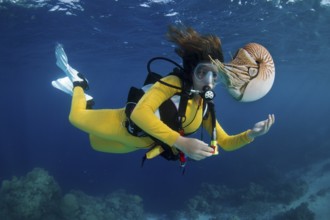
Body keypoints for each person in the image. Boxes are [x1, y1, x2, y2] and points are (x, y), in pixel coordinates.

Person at [52, 25, 275, 164]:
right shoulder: (172, 83)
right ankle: (79, 83)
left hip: (137, 143)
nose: (209, 82)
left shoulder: (204, 104)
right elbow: (140, 114)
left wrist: (250, 135)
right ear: (191, 71)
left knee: (94, 143)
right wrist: (181, 142)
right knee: (76, 118)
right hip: (121, 124)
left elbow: (225, 142)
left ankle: (89, 100)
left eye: (214, 76)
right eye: (202, 73)